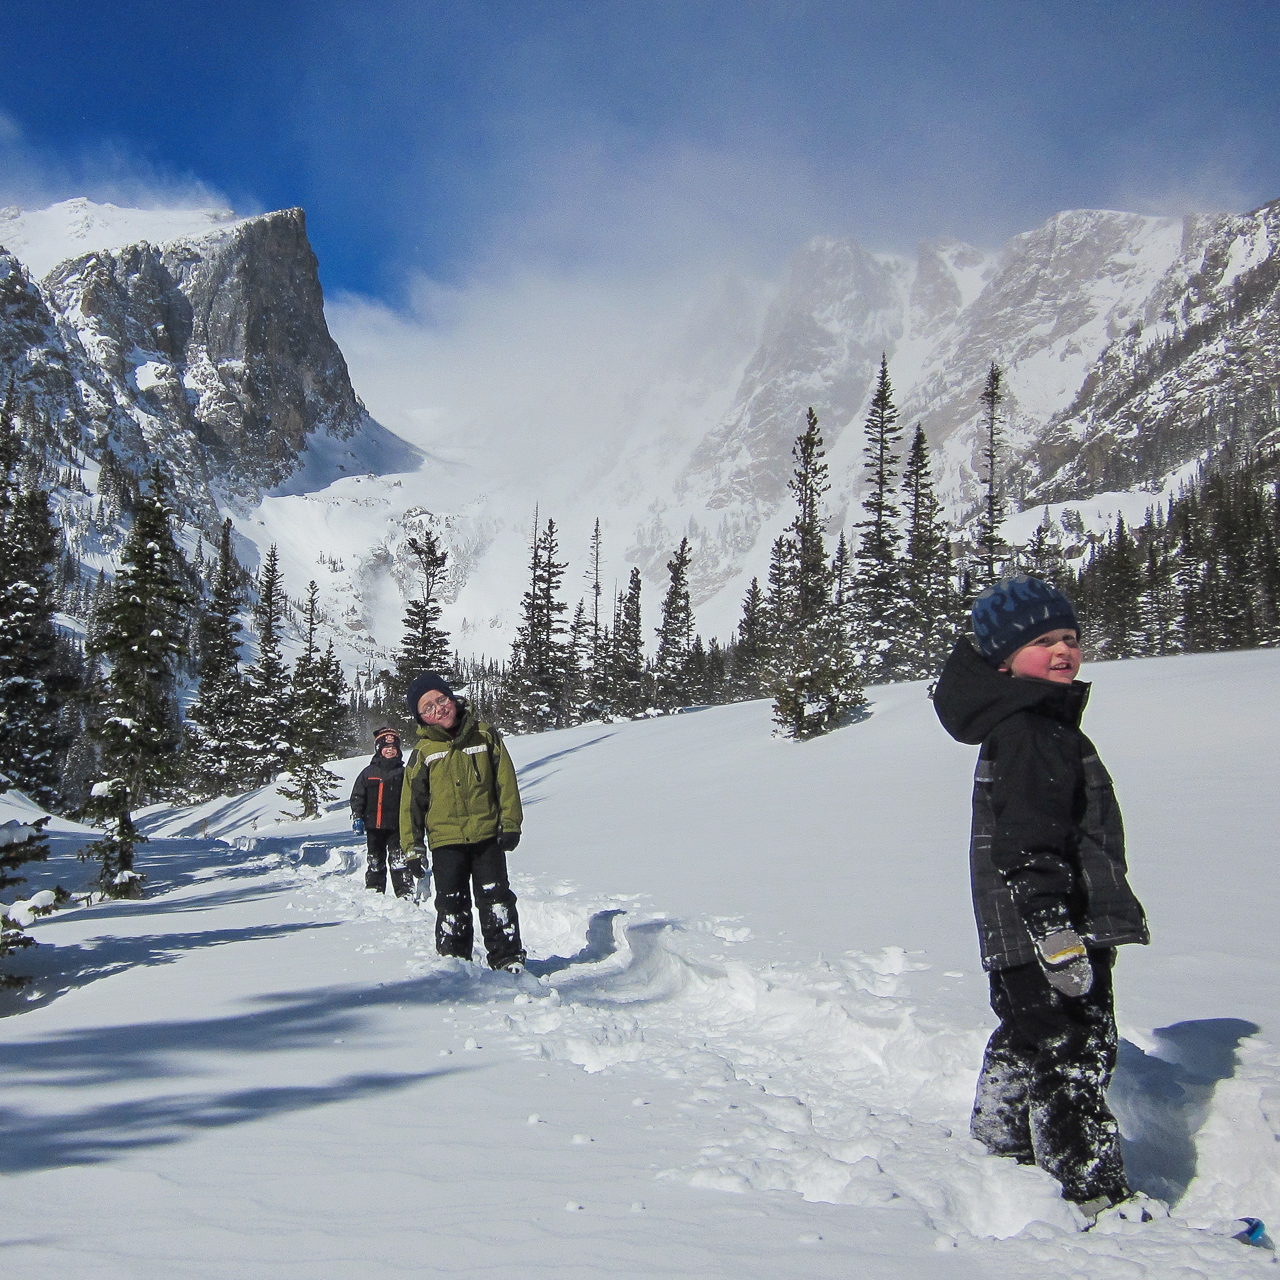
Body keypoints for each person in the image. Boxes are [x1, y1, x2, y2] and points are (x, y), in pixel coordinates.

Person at [933, 575, 1150, 1224]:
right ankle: (1093, 1194)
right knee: (1077, 1052)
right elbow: (1030, 844)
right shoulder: (1034, 732)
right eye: (1042, 642)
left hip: (1018, 935)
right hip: (1054, 931)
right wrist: (1056, 932)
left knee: (1030, 1034)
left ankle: (1001, 1141)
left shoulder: (1024, 726)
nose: (1063, 651)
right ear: (1004, 659)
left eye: (1070, 638)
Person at [399, 672, 527, 972]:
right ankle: (454, 963)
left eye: (441, 700)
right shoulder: (424, 752)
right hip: (446, 842)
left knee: (496, 899)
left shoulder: (484, 736)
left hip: (487, 836)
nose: (438, 709)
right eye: (427, 707)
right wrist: (412, 848)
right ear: (420, 717)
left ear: (452, 698)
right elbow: (410, 806)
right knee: (451, 904)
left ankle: (507, 959)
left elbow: (505, 782)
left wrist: (510, 823)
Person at [349, 726, 420, 897]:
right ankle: (375, 890)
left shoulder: (403, 773)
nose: (390, 751)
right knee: (375, 859)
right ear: (379, 749)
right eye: (386, 748)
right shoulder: (368, 773)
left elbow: (413, 797)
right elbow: (358, 796)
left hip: (397, 827)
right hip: (374, 826)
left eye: (394, 748)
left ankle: (404, 892)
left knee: (399, 861)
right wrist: (357, 816)